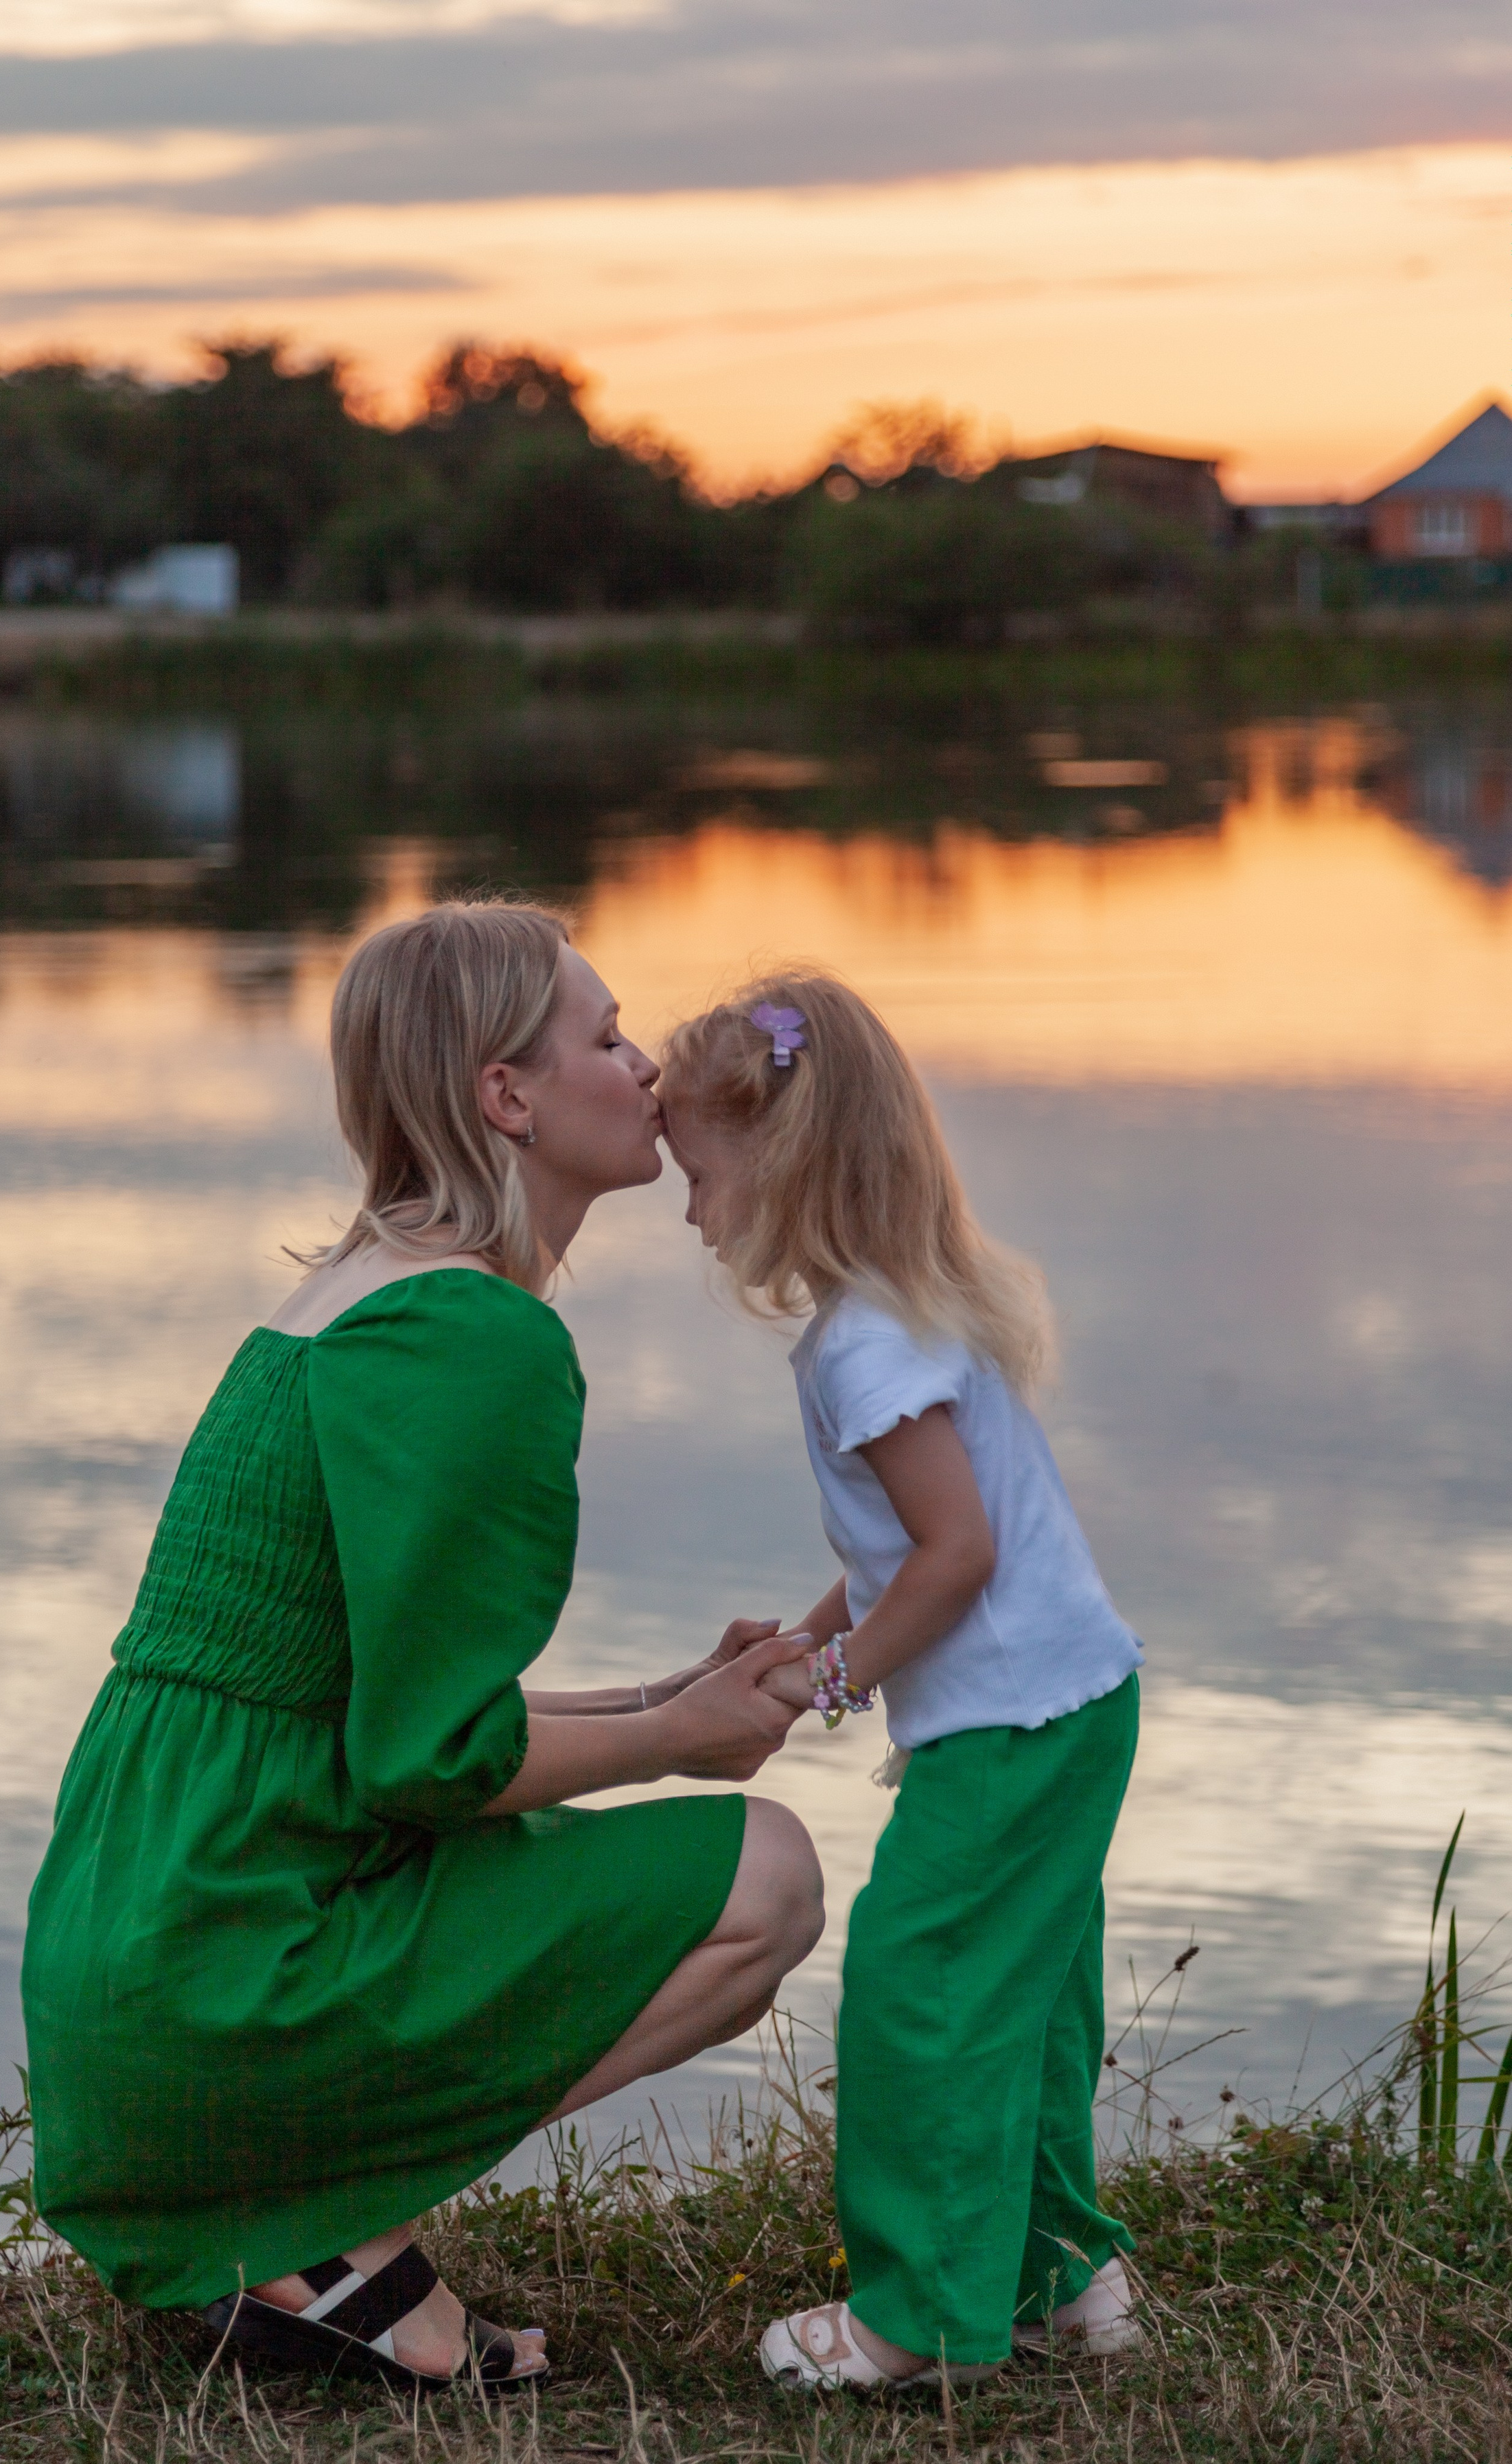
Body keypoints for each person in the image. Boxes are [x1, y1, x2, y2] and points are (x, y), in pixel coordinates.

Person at [21, 901, 824, 2397]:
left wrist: (664, 1695)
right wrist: (677, 1741)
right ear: (505, 1096)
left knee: (718, 1849)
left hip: (140, 1970)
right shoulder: (475, 1340)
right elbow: (426, 1761)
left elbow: (355, 1713)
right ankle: (317, 2227)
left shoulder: (353, 1295)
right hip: (228, 1985)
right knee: (766, 1876)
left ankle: (303, 2224)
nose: (646, 1066)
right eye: (606, 1036)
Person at [660, 971, 1143, 2391]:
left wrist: (832, 1684)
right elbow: (905, 1554)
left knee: (920, 1988)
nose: (689, 1211)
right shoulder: (892, 1310)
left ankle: (922, 2320)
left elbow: (955, 1555)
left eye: (699, 1174)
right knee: (1025, 1994)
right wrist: (809, 1642)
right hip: (1067, 1700)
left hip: (1011, 1723)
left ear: (785, 1160)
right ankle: (1058, 2276)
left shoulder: (868, 1343)